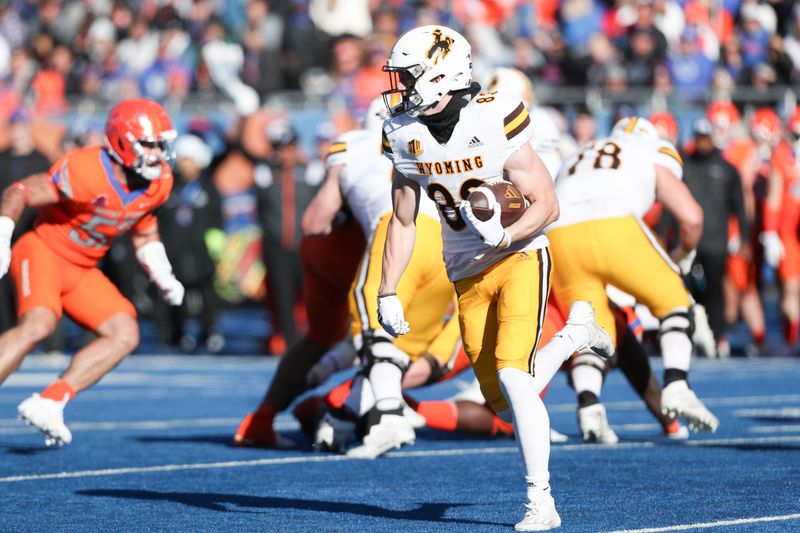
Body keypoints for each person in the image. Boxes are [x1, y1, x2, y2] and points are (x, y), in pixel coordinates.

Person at [376, 25, 613, 531]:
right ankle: (576, 334)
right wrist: (387, 288)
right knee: (504, 403)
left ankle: (541, 503)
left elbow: (546, 206)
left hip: (520, 254)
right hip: (464, 272)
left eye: (409, 76)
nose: (399, 88)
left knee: (513, 374)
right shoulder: (401, 130)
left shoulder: (495, 114)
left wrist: (505, 237)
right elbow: (401, 219)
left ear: (442, 73)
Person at [0, 98, 184, 446]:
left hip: (83, 268)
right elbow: (19, 191)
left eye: (161, 143)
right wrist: (3, 234)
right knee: (39, 326)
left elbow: (144, 229)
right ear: (120, 142)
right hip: (44, 251)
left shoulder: (158, 183)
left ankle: (51, 400)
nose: (158, 153)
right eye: (148, 143)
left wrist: (163, 274)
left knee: (125, 331)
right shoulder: (85, 169)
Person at [550, 116, 718, 442]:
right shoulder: (649, 151)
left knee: (589, 327)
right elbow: (692, 217)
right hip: (612, 223)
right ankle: (677, 383)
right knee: (675, 301)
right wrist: (681, 257)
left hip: (559, 237)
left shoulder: (580, 153)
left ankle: (589, 405)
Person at [679, 118, 749, 349]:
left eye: (706, 138)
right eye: (699, 138)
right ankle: (690, 335)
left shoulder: (728, 169)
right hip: (690, 241)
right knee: (686, 288)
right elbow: (675, 206)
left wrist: (744, 238)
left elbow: (739, 206)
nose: (703, 143)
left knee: (715, 290)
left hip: (716, 241)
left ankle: (718, 336)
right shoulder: (686, 166)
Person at [254, 120, 320, 353]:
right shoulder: (265, 172)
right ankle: (288, 340)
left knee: (312, 295)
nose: (285, 152)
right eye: (280, 147)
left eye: (289, 146)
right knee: (282, 297)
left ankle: (316, 339)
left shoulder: (311, 170)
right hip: (276, 246)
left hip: (306, 244)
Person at [156, 134, 225, 353]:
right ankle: (178, 332)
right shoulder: (169, 186)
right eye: (183, 159)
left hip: (201, 250)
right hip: (174, 248)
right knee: (176, 293)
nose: (186, 165)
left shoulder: (207, 187)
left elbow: (216, 218)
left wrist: (216, 247)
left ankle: (209, 331)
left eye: (190, 159)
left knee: (206, 292)